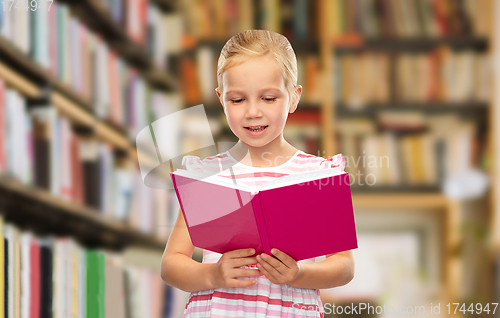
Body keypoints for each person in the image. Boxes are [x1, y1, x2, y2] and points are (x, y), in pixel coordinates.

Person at [161, 29, 355, 318]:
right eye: (237, 100)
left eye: (268, 98)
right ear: (221, 99)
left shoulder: (318, 175)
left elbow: (344, 266)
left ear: (293, 97)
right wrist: (213, 275)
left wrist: (299, 274)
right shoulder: (208, 175)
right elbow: (171, 264)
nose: (252, 111)